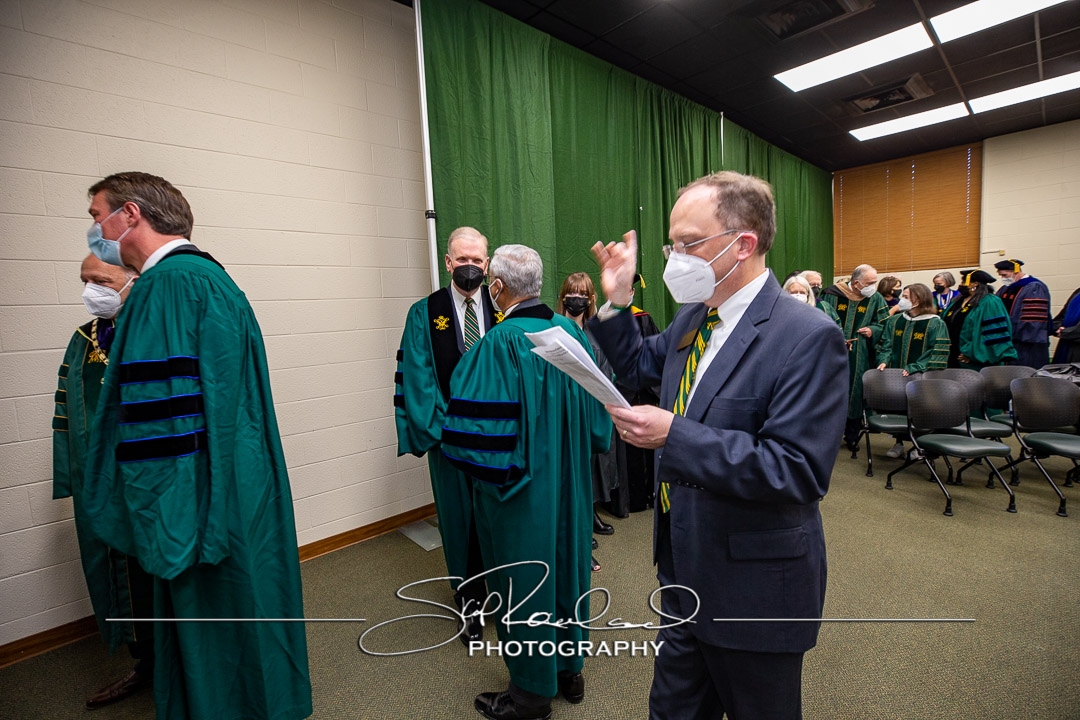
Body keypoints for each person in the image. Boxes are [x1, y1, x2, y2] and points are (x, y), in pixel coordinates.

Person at [589, 171, 848, 720]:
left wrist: (672, 434)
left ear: (743, 244)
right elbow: (639, 366)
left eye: (688, 244)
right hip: (684, 571)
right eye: (672, 244)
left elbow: (796, 469)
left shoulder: (806, 335)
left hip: (754, 589)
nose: (674, 258)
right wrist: (614, 303)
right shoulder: (694, 317)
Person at [79, 172, 312, 720]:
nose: (95, 230)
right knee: (246, 601)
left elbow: (161, 421)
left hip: (194, 493)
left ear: (130, 214)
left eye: (97, 217)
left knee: (211, 617)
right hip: (236, 474)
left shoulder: (170, 286)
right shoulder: (209, 276)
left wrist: (162, 516)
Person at [441, 245, 611, 720]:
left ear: (497, 288)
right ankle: (569, 672)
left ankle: (531, 696)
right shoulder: (572, 337)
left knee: (525, 585)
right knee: (568, 573)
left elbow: (473, 441)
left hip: (519, 496)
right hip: (572, 490)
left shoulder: (499, 343)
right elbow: (601, 431)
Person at [53, 255, 153, 710]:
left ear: (133, 280)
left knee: (158, 571)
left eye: (102, 280)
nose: (91, 289)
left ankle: (182, 664)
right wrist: (76, 478)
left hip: (151, 484)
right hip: (102, 484)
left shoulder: (155, 330)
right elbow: (67, 415)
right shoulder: (83, 341)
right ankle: (146, 663)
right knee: (120, 577)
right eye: (85, 281)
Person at [394, 226, 498, 642]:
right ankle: (469, 599)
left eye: (478, 260)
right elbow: (418, 378)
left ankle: (500, 591)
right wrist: (446, 430)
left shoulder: (502, 308)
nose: (470, 267)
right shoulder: (425, 312)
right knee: (458, 522)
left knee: (497, 518)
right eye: (463, 259)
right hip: (450, 438)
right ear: (448, 262)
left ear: (487, 265)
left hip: (497, 437)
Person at [557, 271, 613, 572]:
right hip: (564, 412)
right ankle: (578, 541)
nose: (575, 298)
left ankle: (589, 519)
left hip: (592, 408)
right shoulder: (554, 329)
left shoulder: (596, 331)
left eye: (582, 293)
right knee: (569, 477)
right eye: (571, 292)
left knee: (591, 468)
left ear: (591, 299)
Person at [605, 273, 662, 517]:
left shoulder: (643, 318)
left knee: (647, 446)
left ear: (633, 292)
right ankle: (630, 500)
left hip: (643, 395)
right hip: (619, 395)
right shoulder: (606, 320)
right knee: (625, 449)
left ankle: (649, 495)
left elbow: (654, 358)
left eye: (628, 289)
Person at [875, 283, 950, 458]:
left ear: (918, 300)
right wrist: (884, 361)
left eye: (907, 297)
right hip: (897, 374)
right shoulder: (895, 321)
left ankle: (920, 446)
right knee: (899, 408)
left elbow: (938, 351)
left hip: (921, 377)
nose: (902, 300)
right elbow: (885, 344)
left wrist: (916, 367)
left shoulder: (934, 324)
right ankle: (898, 443)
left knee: (920, 410)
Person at [819, 264, 889, 450]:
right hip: (831, 351)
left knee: (855, 391)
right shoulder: (832, 295)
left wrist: (872, 330)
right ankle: (828, 434)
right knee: (830, 389)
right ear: (856, 283)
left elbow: (884, 324)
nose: (873, 286)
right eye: (870, 283)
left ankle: (851, 435)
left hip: (859, 352)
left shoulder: (875, 298)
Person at [942, 270, 1017, 369]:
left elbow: (994, 333)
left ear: (975, 284)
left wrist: (971, 354)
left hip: (973, 360)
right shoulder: (957, 301)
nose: (961, 285)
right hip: (951, 355)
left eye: (963, 282)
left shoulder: (990, 302)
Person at [995, 259, 1052, 368]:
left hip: (1027, 343)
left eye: (1005, 275)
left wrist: (1015, 335)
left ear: (1015, 271)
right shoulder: (1005, 289)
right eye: (1001, 275)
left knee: (1026, 371)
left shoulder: (1034, 287)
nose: (1003, 278)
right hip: (1009, 341)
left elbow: (1033, 319)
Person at [1052, 286, 1080, 363]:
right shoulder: (1077, 292)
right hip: (1065, 346)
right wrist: (1056, 328)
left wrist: (1065, 332)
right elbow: (1061, 317)